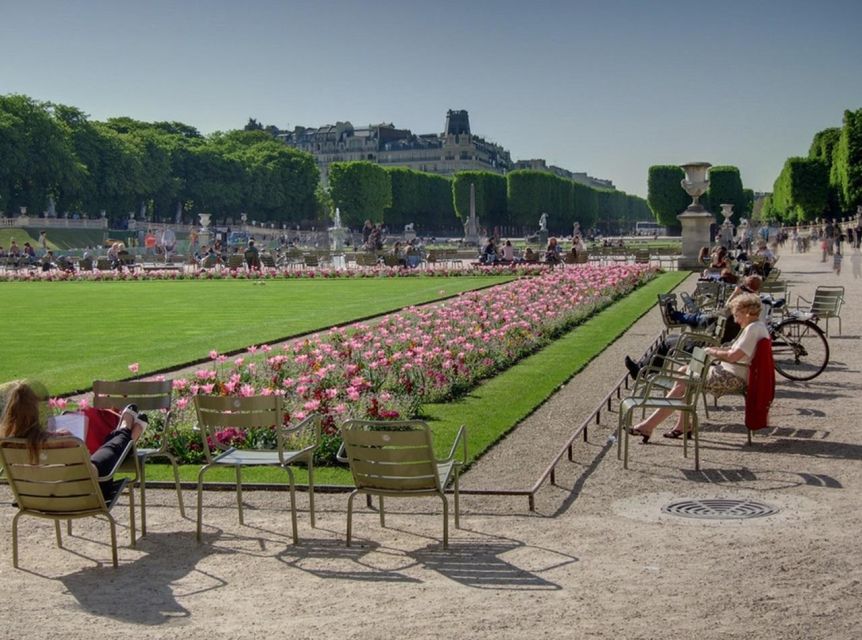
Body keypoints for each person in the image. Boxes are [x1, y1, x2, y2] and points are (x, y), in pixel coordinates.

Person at [628, 293, 769, 442]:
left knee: (683, 381)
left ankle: (648, 426)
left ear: (746, 313)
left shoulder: (752, 329)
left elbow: (733, 356)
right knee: (682, 371)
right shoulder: (755, 327)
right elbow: (734, 352)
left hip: (732, 377)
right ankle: (682, 424)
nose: (734, 319)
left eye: (736, 314)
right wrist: (716, 351)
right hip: (731, 372)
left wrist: (711, 351)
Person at [0, 380, 148, 498]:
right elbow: (88, 466)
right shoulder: (63, 439)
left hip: (34, 500)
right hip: (88, 495)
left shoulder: (6, 444)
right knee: (110, 449)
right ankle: (126, 431)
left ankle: (128, 433)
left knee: (109, 450)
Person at [624, 276, 763, 379]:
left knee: (668, 341)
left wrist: (735, 294)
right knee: (672, 337)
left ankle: (644, 370)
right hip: (710, 342)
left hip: (705, 346)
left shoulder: (737, 316)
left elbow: (726, 310)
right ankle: (646, 369)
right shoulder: (743, 318)